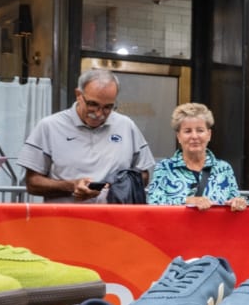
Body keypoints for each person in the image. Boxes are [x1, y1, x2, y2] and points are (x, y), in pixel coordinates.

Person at [18, 68, 154, 203]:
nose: (99, 114)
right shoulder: (49, 126)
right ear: (78, 95)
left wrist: (116, 186)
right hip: (66, 216)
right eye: (92, 104)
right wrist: (71, 186)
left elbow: (144, 175)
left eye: (108, 107)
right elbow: (32, 183)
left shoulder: (126, 126)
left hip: (113, 216)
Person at [146, 103, 247, 211]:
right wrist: (187, 201)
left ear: (209, 135)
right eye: (187, 131)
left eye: (200, 130)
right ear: (178, 136)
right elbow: (153, 202)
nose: (194, 136)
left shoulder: (223, 168)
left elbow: (235, 199)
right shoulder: (165, 168)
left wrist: (239, 202)